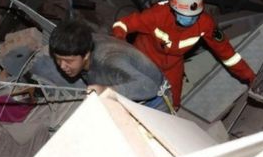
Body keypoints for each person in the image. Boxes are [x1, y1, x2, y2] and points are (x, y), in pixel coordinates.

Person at [112, 0, 255, 109]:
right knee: (130, 91)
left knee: (173, 103)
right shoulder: (156, 15)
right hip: (143, 59)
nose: (190, 20)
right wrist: (121, 47)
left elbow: (227, 54)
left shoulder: (205, 24)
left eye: (194, 16)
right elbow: (123, 25)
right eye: (184, 15)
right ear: (173, 9)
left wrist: (250, 77)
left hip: (173, 66)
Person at [30, 19, 173, 113]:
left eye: (68, 61)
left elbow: (149, 86)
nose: (62, 66)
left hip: (154, 101)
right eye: (58, 59)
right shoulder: (82, 42)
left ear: (86, 55)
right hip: (127, 88)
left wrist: (107, 90)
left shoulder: (110, 61)